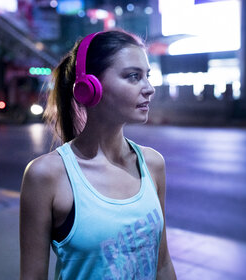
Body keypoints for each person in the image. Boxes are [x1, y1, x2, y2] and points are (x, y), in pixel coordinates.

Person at [20, 29, 177, 280]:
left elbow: (162, 265)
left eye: (147, 76)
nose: (149, 88)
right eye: (133, 76)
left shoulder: (153, 164)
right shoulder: (47, 175)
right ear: (88, 87)